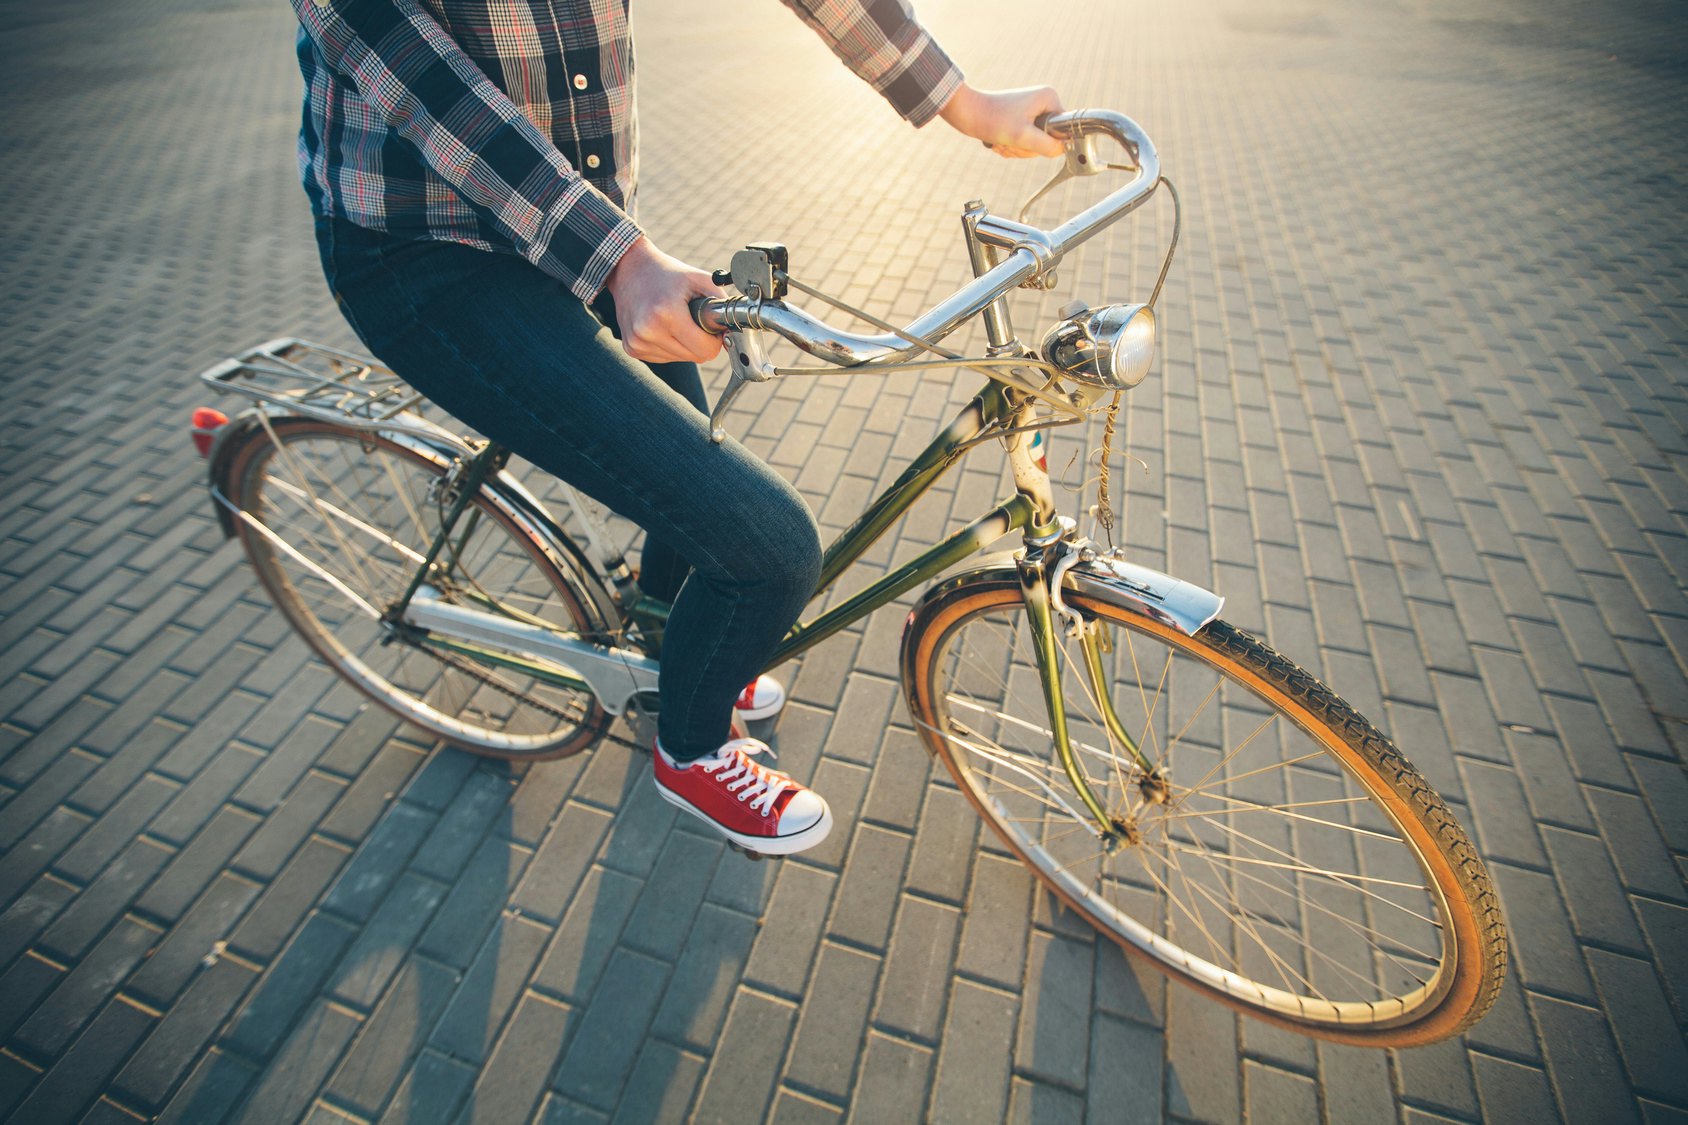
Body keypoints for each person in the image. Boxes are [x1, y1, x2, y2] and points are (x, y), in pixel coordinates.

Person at [288, 0, 1064, 856]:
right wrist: (617, 259)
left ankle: (671, 653)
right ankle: (691, 748)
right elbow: (413, 68)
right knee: (768, 546)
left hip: (580, 224)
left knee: (694, 507)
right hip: (430, 255)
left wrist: (967, 103)